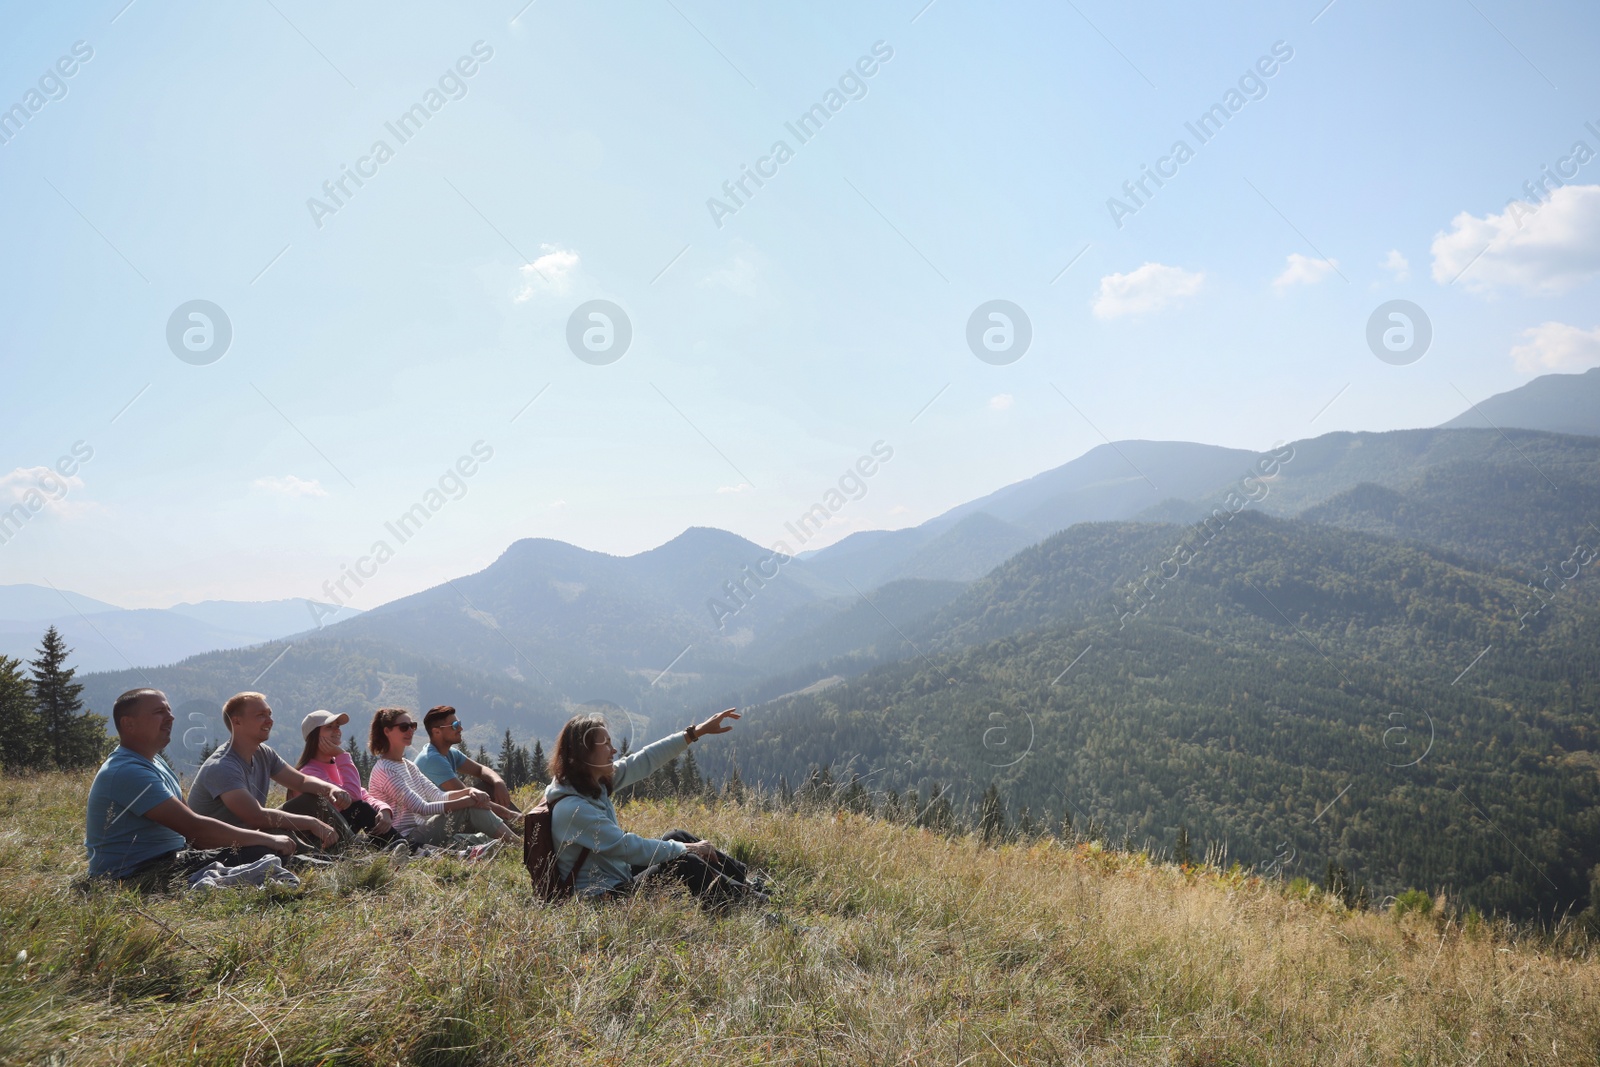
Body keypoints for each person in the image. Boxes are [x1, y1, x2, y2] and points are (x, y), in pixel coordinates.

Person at [544, 707, 766, 908]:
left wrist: (695, 732)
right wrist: (688, 849)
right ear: (585, 755)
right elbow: (626, 847)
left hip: (617, 875)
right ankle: (746, 905)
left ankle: (746, 882)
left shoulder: (591, 781)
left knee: (677, 835)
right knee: (682, 859)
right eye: (605, 745)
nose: (613, 750)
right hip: (603, 897)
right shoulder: (574, 809)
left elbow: (644, 760)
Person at [84, 688, 297, 882]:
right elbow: (195, 829)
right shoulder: (127, 771)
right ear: (128, 724)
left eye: (169, 710)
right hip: (133, 874)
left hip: (171, 858)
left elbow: (191, 827)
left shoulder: (156, 763)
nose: (171, 717)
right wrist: (268, 839)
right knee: (262, 851)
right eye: (159, 712)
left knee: (261, 851)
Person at [187, 692, 349, 850]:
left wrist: (332, 789)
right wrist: (311, 823)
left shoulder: (263, 753)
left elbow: (301, 781)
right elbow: (255, 817)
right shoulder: (222, 766)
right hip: (222, 846)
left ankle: (351, 846)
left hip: (251, 835)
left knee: (311, 799)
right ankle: (320, 861)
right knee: (277, 834)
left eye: (269, 714)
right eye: (261, 715)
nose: (270, 721)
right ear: (237, 722)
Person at [365, 707, 506, 854]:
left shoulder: (409, 765)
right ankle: (521, 844)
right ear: (387, 731)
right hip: (406, 840)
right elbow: (422, 808)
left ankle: (517, 845)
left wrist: (469, 791)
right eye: (404, 727)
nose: (410, 731)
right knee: (469, 809)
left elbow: (438, 795)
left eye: (412, 726)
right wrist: (468, 801)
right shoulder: (385, 770)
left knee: (483, 840)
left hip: (423, 831)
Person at [284, 710, 399, 847]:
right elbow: (354, 798)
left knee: (362, 809)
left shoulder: (336, 765)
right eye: (329, 727)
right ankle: (408, 848)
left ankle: (407, 847)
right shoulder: (309, 772)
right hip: (321, 839)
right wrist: (342, 755)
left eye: (337, 726)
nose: (337, 731)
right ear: (314, 736)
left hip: (339, 830)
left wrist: (383, 809)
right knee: (360, 808)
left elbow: (362, 794)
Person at [416, 705, 521, 843]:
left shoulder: (449, 752)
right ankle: (518, 836)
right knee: (475, 801)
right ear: (437, 732)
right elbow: (467, 795)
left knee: (488, 785)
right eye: (454, 725)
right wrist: (508, 813)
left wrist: (498, 782)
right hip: (436, 824)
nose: (460, 729)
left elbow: (480, 770)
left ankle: (522, 828)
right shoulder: (432, 759)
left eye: (459, 724)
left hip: (451, 814)